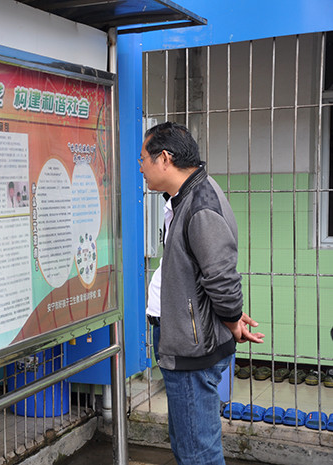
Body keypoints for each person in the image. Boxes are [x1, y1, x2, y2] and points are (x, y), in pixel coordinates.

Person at [140, 122, 264, 465]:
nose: (141, 167)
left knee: (198, 453)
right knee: (188, 444)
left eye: (143, 159)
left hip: (193, 348)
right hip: (185, 338)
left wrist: (231, 317)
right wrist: (228, 315)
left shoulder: (199, 205)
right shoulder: (186, 197)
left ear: (165, 159)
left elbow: (221, 276)